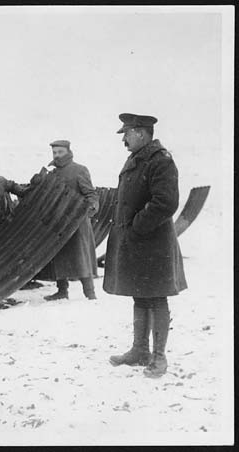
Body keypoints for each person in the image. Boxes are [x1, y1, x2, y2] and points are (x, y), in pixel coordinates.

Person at [104, 113, 187, 378]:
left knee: (156, 297)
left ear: (141, 133)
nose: (124, 140)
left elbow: (166, 201)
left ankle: (159, 357)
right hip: (137, 243)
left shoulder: (160, 161)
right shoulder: (137, 159)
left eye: (127, 134)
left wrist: (137, 226)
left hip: (153, 243)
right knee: (140, 295)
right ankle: (140, 350)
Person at [34, 140, 99, 300]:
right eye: (54, 152)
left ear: (68, 152)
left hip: (77, 221)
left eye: (60, 152)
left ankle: (90, 293)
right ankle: (62, 291)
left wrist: (91, 207)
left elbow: (90, 193)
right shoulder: (53, 173)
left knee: (81, 255)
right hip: (58, 222)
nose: (56, 155)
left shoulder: (79, 170)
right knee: (59, 255)